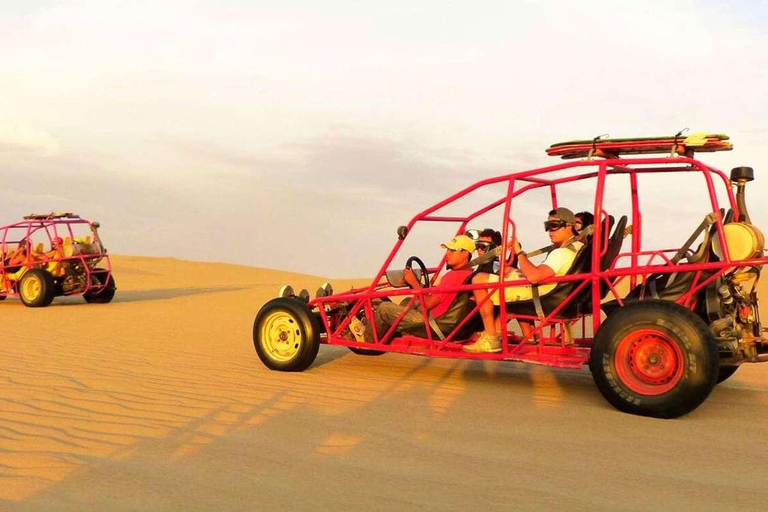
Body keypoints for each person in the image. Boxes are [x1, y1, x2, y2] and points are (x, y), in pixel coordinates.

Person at [464, 207, 582, 353]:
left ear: (569, 226)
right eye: (547, 226)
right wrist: (517, 271)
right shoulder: (578, 247)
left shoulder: (562, 253)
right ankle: (518, 335)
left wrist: (519, 252)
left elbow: (534, 276)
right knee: (511, 273)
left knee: (479, 279)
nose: (550, 231)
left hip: (542, 297)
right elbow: (544, 273)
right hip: (554, 292)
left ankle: (491, 338)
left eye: (554, 226)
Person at [360, 235, 476, 342]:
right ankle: (389, 332)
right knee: (408, 301)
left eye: (452, 251)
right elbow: (439, 299)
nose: (447, 254)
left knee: (384, 308)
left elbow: (429, 304)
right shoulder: (468, 273)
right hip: (446, 320)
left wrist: (414, 283)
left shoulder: (453, 276)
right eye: (447, 250)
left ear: (465, 254)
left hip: (435, 325)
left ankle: (367, 339)